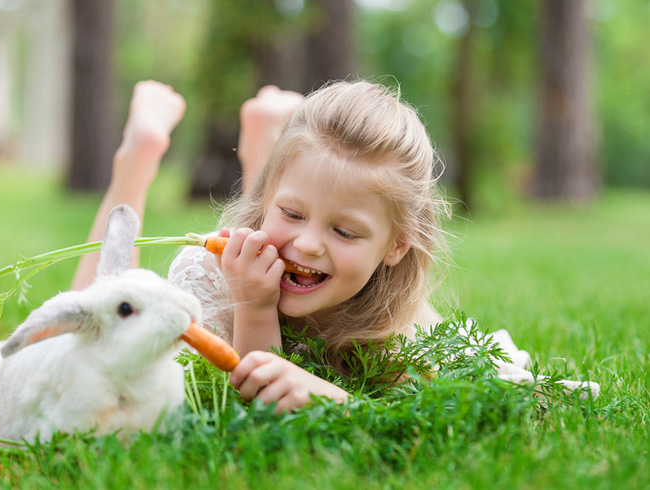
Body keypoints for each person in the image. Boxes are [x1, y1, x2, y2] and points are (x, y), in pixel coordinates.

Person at [72, 79, 447, 413]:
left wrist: (339, 401)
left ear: (397, 246)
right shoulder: (213, 279)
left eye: (345, 232)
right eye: (292, 213)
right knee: (91, 340)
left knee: (286, 229)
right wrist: (253, 307)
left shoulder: (403, 323)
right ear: (267, 199)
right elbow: (249, 414)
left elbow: (425, 421)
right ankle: (135, 163)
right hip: (235, 282)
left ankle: (264, 146)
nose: (309, 244)